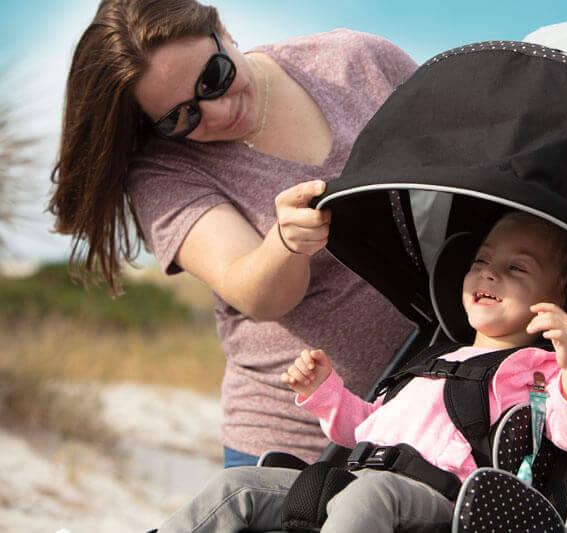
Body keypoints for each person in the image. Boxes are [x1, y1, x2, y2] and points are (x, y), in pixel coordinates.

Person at [48, 0, 417, 467]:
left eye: (214, 77)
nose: (218, 112)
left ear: (220, 27)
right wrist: (285, 243)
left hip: (440, 412)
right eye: (181, 118)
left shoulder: (356, 60)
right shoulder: (163, 170)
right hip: (298, 448)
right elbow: (256, 293)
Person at [155, 211, 567, 532]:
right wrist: (326, 392)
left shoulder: (534, 371)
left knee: (369, 498)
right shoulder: (433, 361)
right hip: (357, 478)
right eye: (481, 262)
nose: (489, 275)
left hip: (435, 503)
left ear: (557, 297)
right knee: (238, 487)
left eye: (516, 268)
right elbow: (365, 428)